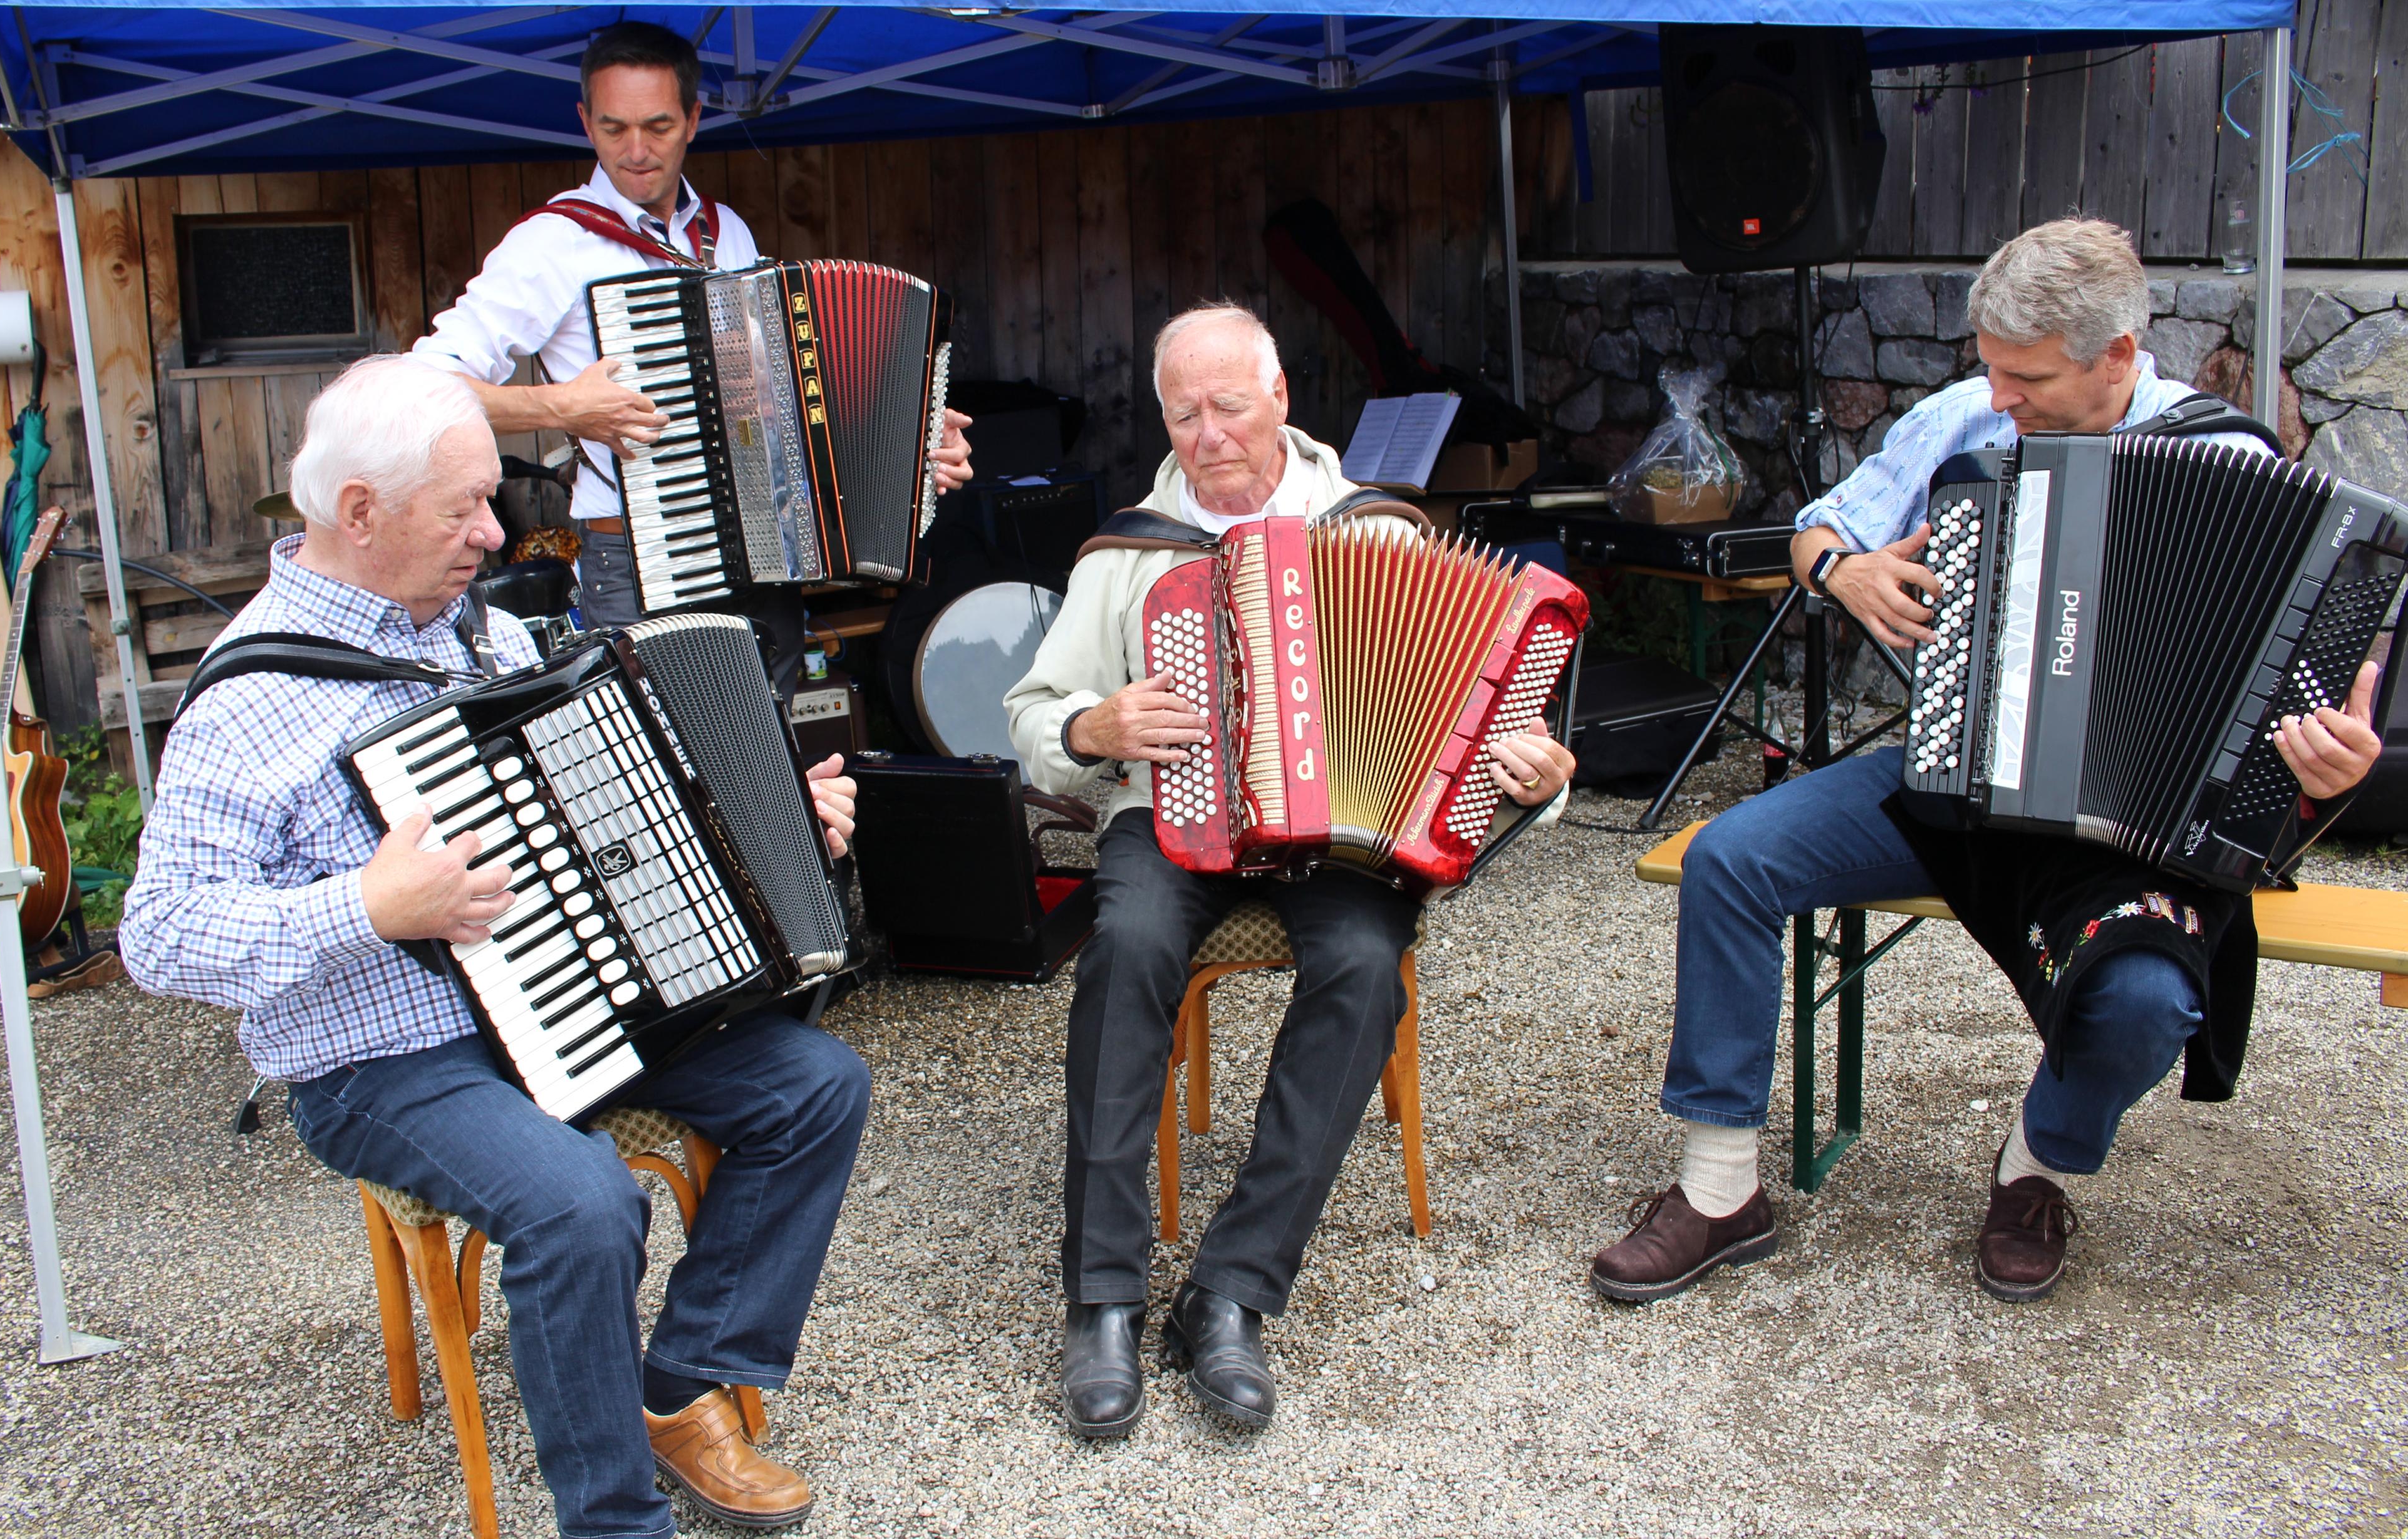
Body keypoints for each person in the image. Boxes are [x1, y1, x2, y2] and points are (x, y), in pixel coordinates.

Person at [121, 357, 869, 1536]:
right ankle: (612, 1521)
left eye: (490, 500)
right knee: (583, 1203)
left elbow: (619, 823)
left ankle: (680, 1389)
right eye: (463, 506)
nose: (493, 532)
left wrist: (774, 819)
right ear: (360, 511)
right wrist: (366, 906)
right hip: (385, 1060)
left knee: (816, 1087)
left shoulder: (495, 639)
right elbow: (158, 936)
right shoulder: (248, 702)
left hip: (569, 1000)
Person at [1590, 219, 2386, 1307]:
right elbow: (1818, 531)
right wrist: (1841, 573)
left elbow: (2290, 738)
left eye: (2029, 379)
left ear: (2117, 354)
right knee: (1732, 859)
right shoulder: (1966, 415)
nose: (2000, 399)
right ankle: (1721, 1188)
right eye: (1993, 371)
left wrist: (2330, 770)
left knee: (2148, 1003)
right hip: (1954, 778)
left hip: (2125, 841)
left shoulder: (2234, 467)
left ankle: (2035, 1165)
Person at [1005, 304, 1577, 1437]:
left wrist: (1539, 775)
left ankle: (1231, 1290)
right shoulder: (1130, 550)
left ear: (1279, 398)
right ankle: (1104, 1295)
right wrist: (1090, 727)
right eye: (1183, 414)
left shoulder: (1378, 533)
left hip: (1343, 837)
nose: (1208, 434)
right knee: (1127, 948)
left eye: (1228, 406)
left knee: (1366, 964)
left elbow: (1481, 728)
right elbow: (1032, 713)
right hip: (1168, 814)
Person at [409, 19, 973, 679]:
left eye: (658, 126)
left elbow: (782, 403)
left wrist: (906, 440)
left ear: (694, 119)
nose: (636, 150)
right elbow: (421, 388)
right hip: (638, 563)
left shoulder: (724, 232)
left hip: (762, 562)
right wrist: (561, 408)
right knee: (665, 746)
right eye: (614, 128)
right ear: (585, 122)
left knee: (771, 742)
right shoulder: (551, 244)